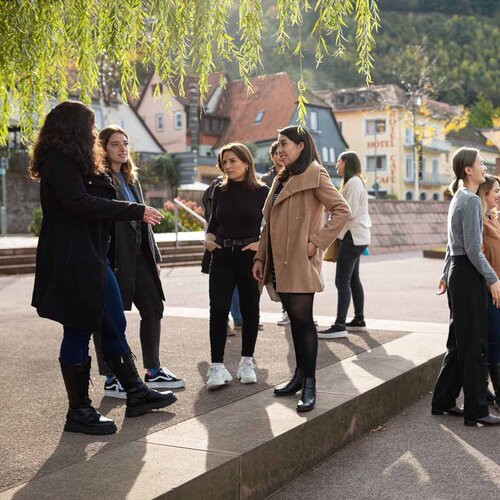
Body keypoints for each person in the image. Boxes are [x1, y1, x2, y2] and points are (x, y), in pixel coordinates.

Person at [29, 102, 176, 436]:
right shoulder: (59, 160)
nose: (95, 133)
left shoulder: (79, 161)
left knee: (113, 320)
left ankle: (136, 393)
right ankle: (78, 411)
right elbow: (79, 203)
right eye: (91, 127)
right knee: (79, 329)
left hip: (92, 256)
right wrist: (132, 210)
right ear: (74, 128)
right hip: (72, 258)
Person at [253, 126, 351, 412]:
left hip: (299, 259)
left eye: (284, 144)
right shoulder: (283, 176)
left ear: (300, 145)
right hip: (277, 260)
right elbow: (268, 223)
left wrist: (315, 244)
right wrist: (260, 257)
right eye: (278, 144)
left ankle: (310, 384)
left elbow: (342, 210)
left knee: (303, 320)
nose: (279, 149)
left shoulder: (315, 173)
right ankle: (298, 377)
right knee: (295, 322)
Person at [92, 125, 185, 399]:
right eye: (115, 144)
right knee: (109, 316)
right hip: (114, 256)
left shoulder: (132, 180)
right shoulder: (101, 179)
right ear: (103, 148)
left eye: (125, 143)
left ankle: (153, 370)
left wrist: (154, 256)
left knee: (154, 307)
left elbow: (146, 225)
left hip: (140, 255)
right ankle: (111, 377)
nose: (122, 148)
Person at [432, 147, 500, 426]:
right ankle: (477, 410)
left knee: (459, 343)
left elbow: (452, 246)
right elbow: (473, 250)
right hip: (469, 275)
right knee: (473, 344)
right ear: (468, 170)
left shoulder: (458, 197)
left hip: (459, 273)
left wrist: (446, 272)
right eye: (480, 163)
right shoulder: (471, 200)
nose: (484, 166)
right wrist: (493, 279)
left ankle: (443, 400)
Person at [204, 143, 269, 390]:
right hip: (221, 255)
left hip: (248, 258)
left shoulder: (262, 191)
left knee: (250, 309)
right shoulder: (219, 190)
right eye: (224, 162)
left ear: (246, 161)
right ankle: (217, 366)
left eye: (233, 161)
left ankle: (246, 362)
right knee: (218, 310)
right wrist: (208, 240)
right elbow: (213, 222)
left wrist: (260, 245)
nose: (228, 166)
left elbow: (273, 226)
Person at [318, 151, 371, 339]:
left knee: (342, 280)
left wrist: (332, 213)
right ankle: (358, 320)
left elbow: (349, 212)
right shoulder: (352, 182)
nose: (337, 165)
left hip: (351, 237)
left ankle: (340, 324)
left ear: (346, 163)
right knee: (353, 279)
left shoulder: (354, 183)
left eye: (339, 162)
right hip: (355, 236)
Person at [477, 175, 500, 411]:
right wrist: (492, 283)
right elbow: (479, 255)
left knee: (494, 340)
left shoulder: (492, 217)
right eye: (495, 190)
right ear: (484, 193)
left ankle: (484, 390)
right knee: (495, 340)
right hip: (491, 290)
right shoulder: (481, 221)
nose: (499, 194)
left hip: (498, 288)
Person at [263, 141, 289, 327]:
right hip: (271, 232)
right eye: (277, 153)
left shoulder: (295, 174)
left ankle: (291, 310)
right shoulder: (267, 178)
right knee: (276, 275)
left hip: (290, 236)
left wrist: (316, 242)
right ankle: (286, 309)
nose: (280, 155)